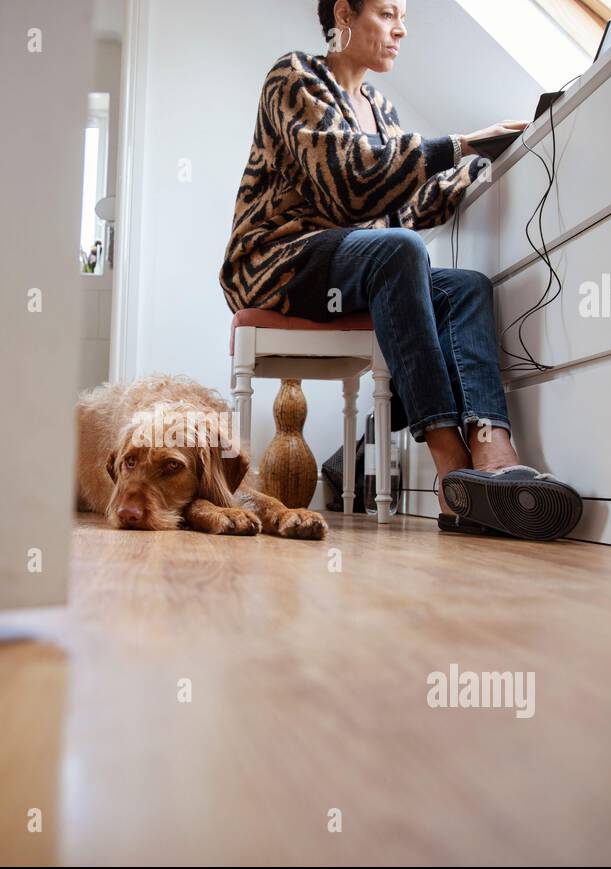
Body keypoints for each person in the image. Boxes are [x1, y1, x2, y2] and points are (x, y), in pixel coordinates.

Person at [217, 0, 582, 540]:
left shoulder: (381, 110)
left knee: (467, 288)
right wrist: (461, 144)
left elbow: (400, 211)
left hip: (352, 265)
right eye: (388, 13)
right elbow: (349, 180)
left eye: (402, 17)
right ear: (344, 13)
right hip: (278, 259)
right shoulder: (294, 77)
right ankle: (449, 466)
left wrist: (488, 161)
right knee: (402, 251)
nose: (401, 30)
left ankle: (493, 454)